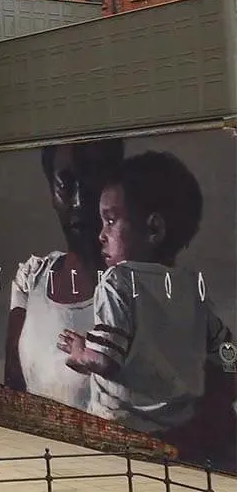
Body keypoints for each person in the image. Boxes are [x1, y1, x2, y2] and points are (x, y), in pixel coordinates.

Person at [57, 151, 236, 464]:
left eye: (110, 221)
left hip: (121, 435)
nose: (101, 234)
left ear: (153, 229)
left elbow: (105, 360)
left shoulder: (118, 281)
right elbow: (225, 348)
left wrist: (79, 350)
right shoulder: (189, 286)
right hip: (182, 431)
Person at [4, 139, 124, 409]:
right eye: (65, 185)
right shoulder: (31, 278)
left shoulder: (132, 291)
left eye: (91, 183)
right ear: (51, 193)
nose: (80, 202)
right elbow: (12, 382)